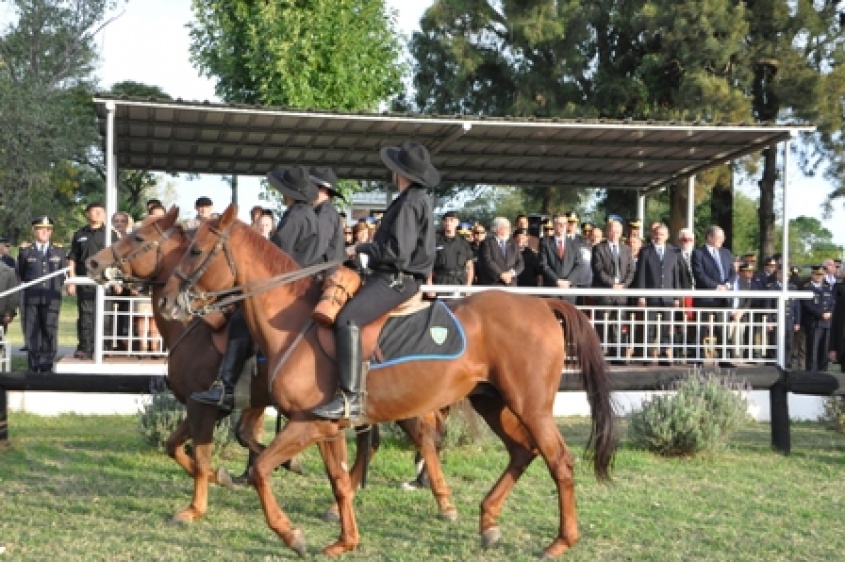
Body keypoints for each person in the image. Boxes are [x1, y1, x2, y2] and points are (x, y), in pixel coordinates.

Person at [312, 141, 438, 420]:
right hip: (394, 275)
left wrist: (361, 247)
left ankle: (351, 398)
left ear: (400, 173)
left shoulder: (409, 203)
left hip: (397, 278)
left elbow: (397, 253)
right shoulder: (414, 198)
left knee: (348, 319)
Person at [192, 165, 323, 410]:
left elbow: (273, 257)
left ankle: (226, 387)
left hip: (286, 286)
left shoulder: (295, 217)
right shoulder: (311, 215)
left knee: (240, 321)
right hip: (302, 283)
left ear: (288, 193)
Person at [17, 216, 67, 372]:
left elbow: (62, 274)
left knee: (49, 329)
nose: (45, 232)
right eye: (41, 229)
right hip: (31, 297)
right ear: (34, 231)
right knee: (32, 329)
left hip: (51, 297)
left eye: (48, 230)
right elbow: (20, 274)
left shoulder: (59, 250)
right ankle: (34, 363)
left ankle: (47, 363)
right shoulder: (26, 251)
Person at [633, 223, 682, 364]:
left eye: (662, 234)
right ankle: (647, 355)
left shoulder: (673, 252)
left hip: (668, 296)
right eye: (657, 234)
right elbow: (641, 274)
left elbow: (676, 276)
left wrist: (676, 297)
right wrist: (641, 296)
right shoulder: (645, 251)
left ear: (667, 236)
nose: (659, 237)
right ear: (653, 235)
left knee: (666, 327)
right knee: (649, 326)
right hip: (651, 295)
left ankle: (664, 354)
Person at [67, 202, 107, 360]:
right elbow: (72, 259)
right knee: (85, 315)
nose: (97, 214)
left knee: (104, 315)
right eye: (94, 211)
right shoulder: (79, 234)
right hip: (85, 280)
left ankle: (102, 347)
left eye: (100, 211)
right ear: (87, 214)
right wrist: (72, 281)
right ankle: (85, 347)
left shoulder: (110, 234)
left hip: (105, 280)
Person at [691, 225, 736, 364]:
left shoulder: (726, 253)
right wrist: (716, 286)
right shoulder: (698, 253)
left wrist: (727, 285)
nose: (722, 240)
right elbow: (699, 274)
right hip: (705, 296)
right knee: (701, 328)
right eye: (718, 237)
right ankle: (698, 357)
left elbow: (733, 273)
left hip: (723, 297)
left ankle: (724, 358)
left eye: (723, 237)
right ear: (709, 237)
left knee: (722, 328)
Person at [591, 218, 635, 356]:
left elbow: (631, 270)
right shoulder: (598, 248)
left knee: (619, 323)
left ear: (621, 233)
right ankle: (602, 352)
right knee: (603, 324)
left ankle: (618, 353)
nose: (614, 234)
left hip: (621, 293)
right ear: (607, 232)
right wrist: (612, 284)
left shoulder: (626, 249)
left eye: (617, 231)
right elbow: (598, 269)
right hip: (605, 292)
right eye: (612, 231)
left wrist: (623, 285)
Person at [537, 214, 582, 301]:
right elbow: (543, 264)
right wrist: (557, 280)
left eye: (564, 224)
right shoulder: (545, 243)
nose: (562, 226)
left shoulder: (575, 244)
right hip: (552, 289)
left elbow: (579, 265)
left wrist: (569, 281)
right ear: (554, 225)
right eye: (559, 224)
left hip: (569, 290)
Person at [802, 266, 834, 372]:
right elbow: (807, 305)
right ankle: (812, 372)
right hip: (814, 322)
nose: (819, 277)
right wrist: (820, 314)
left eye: (821, 275)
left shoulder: (827, 287)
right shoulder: (807, 288)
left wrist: (829, 312)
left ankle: (823, 371)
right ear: (812, 275)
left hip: (826, 323)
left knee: (824, 349)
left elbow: (832, 302)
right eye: (817, 274)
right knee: (813, 349)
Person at [311, 167, 346, 264]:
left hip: (322, 269)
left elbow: (317, 247)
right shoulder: (324, 210)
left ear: (323, 190)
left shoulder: (325, 213)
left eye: (312, 186)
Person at [476, 217, 523, 286]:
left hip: (511, 284)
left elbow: (520, 262)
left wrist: (511, 274)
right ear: (498, 229)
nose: (509, 230)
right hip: (493, 284)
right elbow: (487, 261)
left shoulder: (513, 244)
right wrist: (501, 275)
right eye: (506, 227)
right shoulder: (486, 243)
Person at [432, 211, 474, 287]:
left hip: (459, 282)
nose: (448, 223)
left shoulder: (464, 242)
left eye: (451, 220)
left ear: (457, 223)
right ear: (443, 223)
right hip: (440, 282)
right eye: (446, 220)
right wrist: (429, 285)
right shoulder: (435, 240)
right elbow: (428, 264)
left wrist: (468, 285)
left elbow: (470, 266)